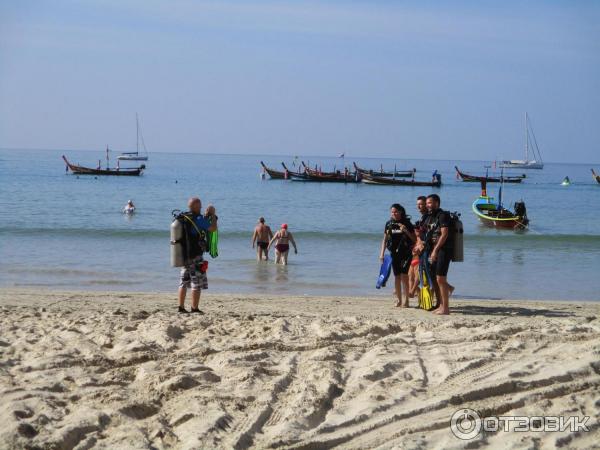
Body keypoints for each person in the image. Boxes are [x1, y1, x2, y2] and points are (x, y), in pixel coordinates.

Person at [177, 197, 218, 314]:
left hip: (184, 255)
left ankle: (181, 307)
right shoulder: (198, 218)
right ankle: (194, 308)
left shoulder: (184, 217)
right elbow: (213, 229)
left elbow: (197, 227)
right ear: (196, 206)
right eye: (199, 205)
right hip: (196, 255)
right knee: (196, 283)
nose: (201, 207)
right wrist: (213, 215)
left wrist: (205, 216)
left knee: (183, 282)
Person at [379, 204, 416, 307]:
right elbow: (385, 240)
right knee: (397, 276)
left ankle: (406, 301)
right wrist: (381, 254)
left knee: (404, 276)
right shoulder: (389, 224)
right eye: (392, 212)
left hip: (406, 253)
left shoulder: (407, 223)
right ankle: (399, 300)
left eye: (395, 212)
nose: (393, 214)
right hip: (394, 254)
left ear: (401, 212)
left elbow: (414, 239)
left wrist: (406, 231)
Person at [422, 194, 453, 315]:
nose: (428, 205)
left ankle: (446, 308)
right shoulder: (429, 217)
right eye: (427, 203)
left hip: (444, 250)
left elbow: (444, 234)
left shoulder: (442, 215)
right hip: (432, 250)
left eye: (430, 203)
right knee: (436, 278)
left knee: (440, 278)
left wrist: (435, 250)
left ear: (437, 203)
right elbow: (426, 233)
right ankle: (441, 305)